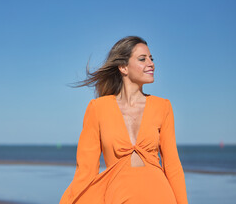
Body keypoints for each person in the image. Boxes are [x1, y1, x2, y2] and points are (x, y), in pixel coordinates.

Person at [60, 36, 188, 204]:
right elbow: (86, 170)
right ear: (123, 67)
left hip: (160, 195)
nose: (151, 64)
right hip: (118, 197)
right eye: (143, 59)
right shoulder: (98, 108)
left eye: (151, 58)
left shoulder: (162, 106)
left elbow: (173, 166)